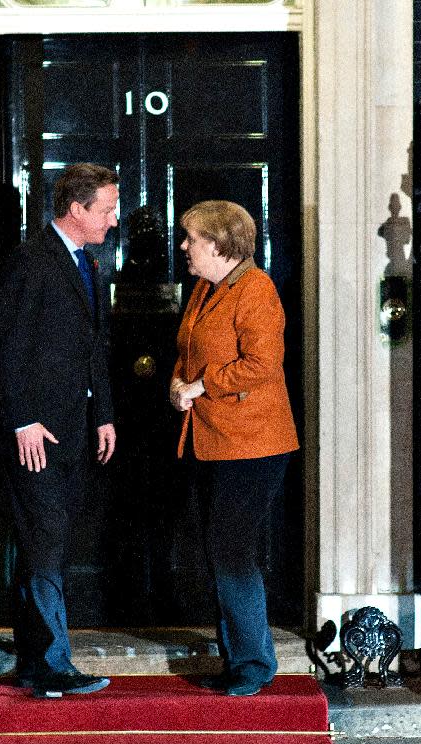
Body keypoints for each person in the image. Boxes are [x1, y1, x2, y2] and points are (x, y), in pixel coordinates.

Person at [0, 163, 119, 698]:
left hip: (74, 430)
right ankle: (49, 667)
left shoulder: (86, 261)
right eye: (107, 209)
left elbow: (91, 347)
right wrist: (22, 420)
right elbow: (4, 346)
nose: (114, 219)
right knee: (46, 544)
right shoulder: (32, 260)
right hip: (35, 435)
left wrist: (104, 413)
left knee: (54, 542)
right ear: (77, 209)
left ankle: (41, 661)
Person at [170, 200, 299, 697]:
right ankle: (238, 658)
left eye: (191, 238)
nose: (184, 246)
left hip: (252, 446)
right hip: (209, 440)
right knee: (221, 550)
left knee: (233, 554)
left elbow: (262, 363)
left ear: (220, 245)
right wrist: (177, 384)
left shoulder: (256, 288)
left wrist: (199, 386)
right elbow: (186, 351)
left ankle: (251, 664)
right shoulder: (205, 288)